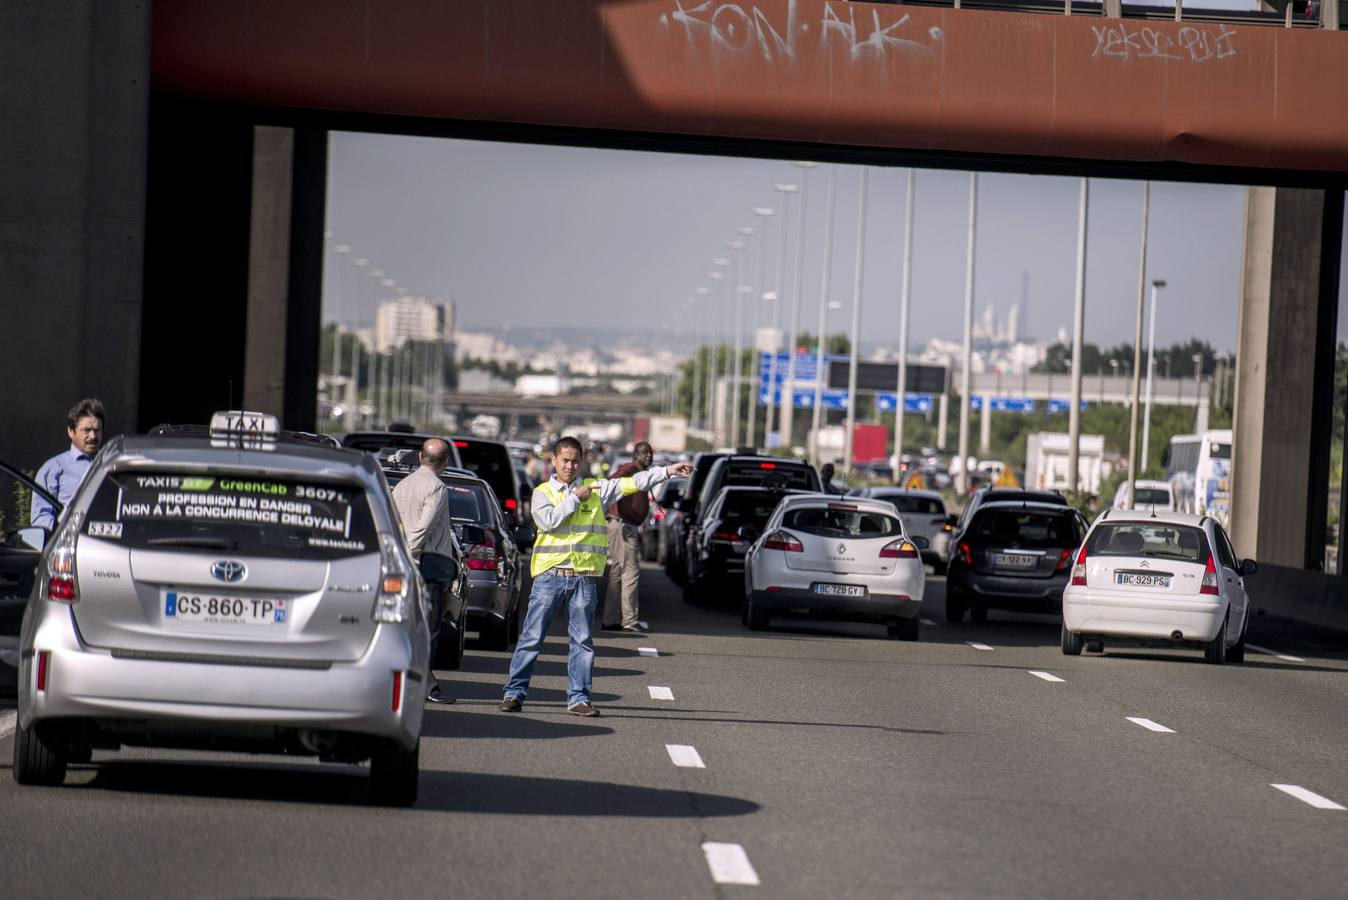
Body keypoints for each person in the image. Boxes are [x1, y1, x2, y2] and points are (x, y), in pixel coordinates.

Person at [500, 436, 692, 717]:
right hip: (549, 578)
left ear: (582, 463)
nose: (569, 465)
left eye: (575, 461)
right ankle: (514, 693)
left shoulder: (597, 490)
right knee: (531, 639)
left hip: (583, 579)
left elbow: (631, 483)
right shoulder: (543, 492)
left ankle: (578, 698)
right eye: (564, 460)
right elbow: (548, 521)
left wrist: (666, 472)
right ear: (553, 461)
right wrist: (574, 500)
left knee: (582, 643)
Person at [389, 437, 458, 705]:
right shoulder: (437, 487)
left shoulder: (401, 486)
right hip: (425, 567)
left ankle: (421, 682)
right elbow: (423, 528)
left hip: (400, 566)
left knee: (406, 626)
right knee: (428, 629)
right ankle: (423, 685)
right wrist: (410, 554)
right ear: (446, 463)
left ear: (420, 457)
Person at [602, 441, 654, 633]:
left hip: (619, 525)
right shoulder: (631, 468)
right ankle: (629, 621)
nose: (648, 456)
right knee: (630, 573)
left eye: (650, 453)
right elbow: (613, 478)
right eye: (644, 453)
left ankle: (611, 619)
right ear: (635, 455)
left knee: (617, 572)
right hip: (623, 526)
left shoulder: (637, 470)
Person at [31, 398, 105, 530]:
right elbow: (41, 518)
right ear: (71, 431)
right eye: (86, 430)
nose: (93, 436)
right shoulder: (53, 468)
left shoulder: (111, 464)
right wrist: (67, 531)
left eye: (97, 430)